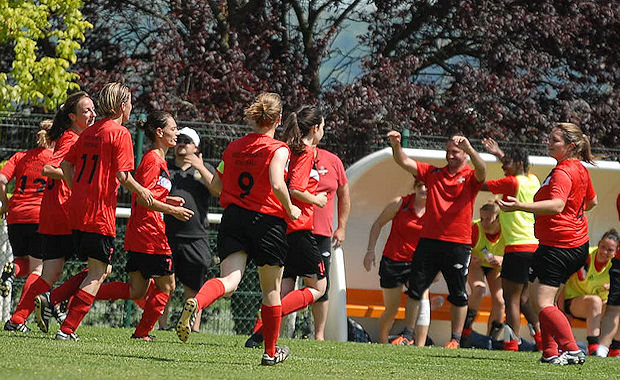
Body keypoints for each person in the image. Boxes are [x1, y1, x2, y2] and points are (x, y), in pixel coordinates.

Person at [175, 93, 300, 366]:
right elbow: (278, 184)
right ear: (278, 120)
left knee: (230, 282)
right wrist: (291, 209)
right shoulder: (278, 149)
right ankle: (270, 353)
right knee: (271, 291)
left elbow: (218, 187)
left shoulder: (232, 148)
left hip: (233, 219)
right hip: (267, 222)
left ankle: (198, 302)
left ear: (254, 118)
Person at [71, 111, 193, 341]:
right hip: (150, 232)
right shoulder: (152, 160)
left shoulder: (158, 159)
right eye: (174, 129)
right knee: (168, 285)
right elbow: (143, 199)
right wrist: (173, 210)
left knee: (136, 291)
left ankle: (81, 296)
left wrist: (168, 200)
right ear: (160, 132)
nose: (177, 133)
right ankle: (143, 333)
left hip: (141, 232)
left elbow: (150, 194)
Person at [47, 82, 154, 340]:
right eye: (129, 103)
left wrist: (78, 189)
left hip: (78, 210)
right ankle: (67, 328)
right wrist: (143, 192)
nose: (131, 108)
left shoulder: (88, 131)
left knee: (100, 269)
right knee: (98, 272)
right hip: (99, 213)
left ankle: (53, 297)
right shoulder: (119, 133)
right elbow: (123, 175)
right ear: (121, 106)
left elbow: (65, 164)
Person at [498, 122, 597, 365]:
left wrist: (519, 206)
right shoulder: (579, 169)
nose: (548, 143)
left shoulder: (564, 171)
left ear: (570, 146)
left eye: (554, 140)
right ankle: (550, 352)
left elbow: (556, 205)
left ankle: (572, 349)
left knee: (541, 302)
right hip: (573, 244)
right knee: (542, 299)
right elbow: (591, 202)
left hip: (558, 245)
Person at [6, 92, 96, 334]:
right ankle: (55, 305)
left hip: (54, 213)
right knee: (100, 267)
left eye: (93, 109)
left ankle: (18, 318)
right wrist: (78, 180)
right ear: (72, 116)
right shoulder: (70, 139)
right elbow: (49, 167)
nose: (93, 113)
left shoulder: (76, 137)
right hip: (63, 213)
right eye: (86, 110)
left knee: (50, 272)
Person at [387, 130, 486, 349]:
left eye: (456, 152)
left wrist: (470, 148)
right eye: (448, 152)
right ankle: (408, 335)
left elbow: (482, 170)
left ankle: (455, 340)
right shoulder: (433, 173)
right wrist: (396, 145)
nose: (451, 156)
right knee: (415, 289)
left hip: (458, 244)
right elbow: (404, 161)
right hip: (429, 241)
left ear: (466, 155)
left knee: (459, 294)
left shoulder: (470, 177)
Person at [244, 105, 328, 348]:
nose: (323, 131)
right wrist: (317, 199)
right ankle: (271, 316)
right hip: (298, 227)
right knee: (319, 287)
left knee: (285, 287)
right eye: (322, 127)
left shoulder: (291, 148)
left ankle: (258, 335)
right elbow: (295, 189)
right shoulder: (307, 152)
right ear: (314, 128)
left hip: (285, 226)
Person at [480, 138, 542, 350]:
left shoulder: (511, 183)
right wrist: (499, 153)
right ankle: (541, 338)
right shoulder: (533, 179)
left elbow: (481, 185)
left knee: (511, 299)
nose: (503, 166)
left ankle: (512, 343)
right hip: (534, 246)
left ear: (518, 163)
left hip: (517, 248)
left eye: (506, 163)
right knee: (524, 299)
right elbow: (514, 170)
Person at [159, 127, 220, 331]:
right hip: (166, 235)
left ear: (196, 146)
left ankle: (192, 328)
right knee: (164, 286)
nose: (182, 144)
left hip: (195, 237)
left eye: (187, 141)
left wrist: (200, 167)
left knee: (193, 288)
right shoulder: (165, 167)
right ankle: (161, 326)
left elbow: (218, 190)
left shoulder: (205, 169)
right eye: (179, 140)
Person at [0, 120, 54, 331]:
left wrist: (6, 204)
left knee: (22, 261)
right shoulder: (54, 158)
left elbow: (2, 180)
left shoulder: (20, 157)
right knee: (39, 268)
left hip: (15, 216)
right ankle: (19, 320)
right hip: (39, 216)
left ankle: (12, 270)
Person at [363, 179, 430, 346]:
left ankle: (419, 347)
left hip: (419, 263)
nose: (423, 189)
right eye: (420, 185)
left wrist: (436, 267)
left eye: (427, 186)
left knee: (422, 299)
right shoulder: (400, 203)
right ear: (414, 187)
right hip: (393, 260)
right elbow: (377, 224)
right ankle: (383, 341)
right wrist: (370, 252)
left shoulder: (435, 209)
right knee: (391, 310)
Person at [310, 145, 350, 341]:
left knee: (321, 286)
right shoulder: (291, 155)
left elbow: (344, 194)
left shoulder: (333, 161)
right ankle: (276, 331)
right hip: (292, 232)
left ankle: (319, 335)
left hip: (322, 235)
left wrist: (341, 227)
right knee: (284, 283)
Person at [560, 229, 617, 355]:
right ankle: (593, 346)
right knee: (595, 301)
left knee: (616, 305)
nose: (604, 252)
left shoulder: (615, 264)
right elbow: (561, 283)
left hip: (600, 308)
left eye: (610, 250)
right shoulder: (585, 256)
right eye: (602, 247)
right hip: (574, 303)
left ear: (615, 251)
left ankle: (614, 348)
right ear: (598, 244)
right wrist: (562, 311)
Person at [461, 202, 505, 345]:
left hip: (495, 267)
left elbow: (516, 254)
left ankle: (491, 338)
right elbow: (463, 248)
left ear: (498, 219)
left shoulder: (507, 229)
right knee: (479, 290)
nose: (484, 223)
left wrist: (502, 259)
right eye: (482, 218)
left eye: (488, 219)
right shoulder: (476, 228)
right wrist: (470, 258)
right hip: (477, 264)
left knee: (500, 300)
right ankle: (465, 330)